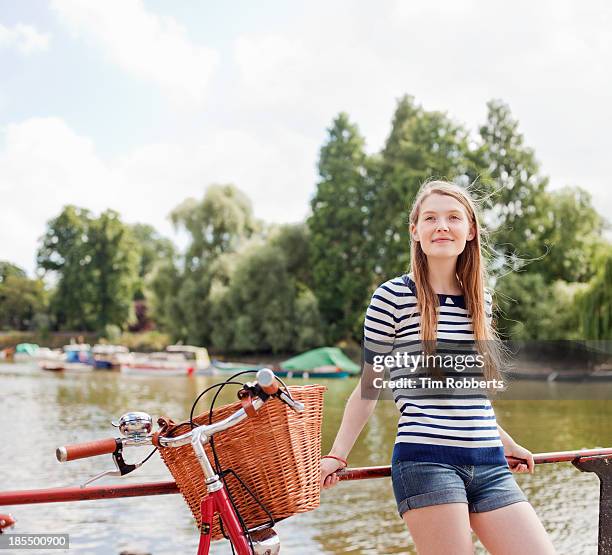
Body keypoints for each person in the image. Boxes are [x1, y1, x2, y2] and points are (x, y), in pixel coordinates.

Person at [320, 180, 556, 554]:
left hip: (490, 464)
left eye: (453, 217)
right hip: (427, 462)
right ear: (415, 230)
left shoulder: (482, 299)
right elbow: (369, 388)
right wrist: (337, 454)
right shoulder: (392, 297)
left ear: (471, 230)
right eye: (430, 218)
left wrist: (506, 442)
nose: (441, 226)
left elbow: (468, 394)